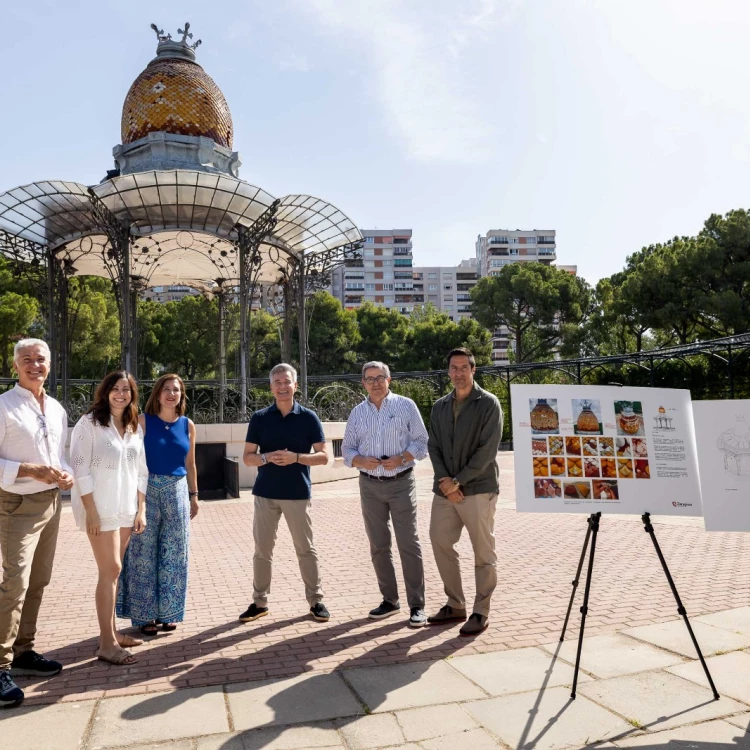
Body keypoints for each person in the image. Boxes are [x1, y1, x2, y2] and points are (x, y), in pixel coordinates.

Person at [0, 339, 74, 708]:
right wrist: (30, 470)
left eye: (40, 359)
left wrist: (66, 475)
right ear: (15, 366)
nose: (34, 365)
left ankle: (24, 651)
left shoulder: (57, 408)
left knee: (39, 581)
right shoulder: (3, 406)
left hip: (51, 502)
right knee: (15, 582)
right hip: (16, 503)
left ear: (50, 363)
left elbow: (61, 456)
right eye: (26, 360)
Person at [240, 363, 330, 623]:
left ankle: (316, 601)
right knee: (262, 551)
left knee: (305, 549)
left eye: (286, 381)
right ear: (271, 387)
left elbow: (324, 456)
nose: (282, 386)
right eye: (277, 382)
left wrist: (296, 458)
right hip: (265, 494)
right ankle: (259, 603)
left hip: (297, 494)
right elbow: (247, 458)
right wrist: (266, 457)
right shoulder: (259, 418)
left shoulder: (308, 417)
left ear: (295, 385)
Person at [342, 361, 429, 627]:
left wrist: (403, 457)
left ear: (389, 380)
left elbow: (422, 441)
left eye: (380, 377)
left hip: (401, 482)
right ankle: (390, 601)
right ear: (363, 383)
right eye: (370, 379)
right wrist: (360, 461)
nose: (375, 383)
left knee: (408, 544)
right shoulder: (357, 413)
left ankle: (417, 606)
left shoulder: (406, 405)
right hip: (369, 485)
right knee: (379, 545)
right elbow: (346, 449)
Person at [70, 371, 148, 665]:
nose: (120, 394)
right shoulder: (88, 424)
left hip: (127, 509)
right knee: (111, 569)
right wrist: (90, 509)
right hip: (100, 509)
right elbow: (79, 469)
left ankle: (113, 633)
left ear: (132, 394)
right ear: (105, 392)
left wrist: (141, 509)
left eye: (126, 389)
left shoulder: (132, 426)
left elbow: (142, 470)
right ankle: (105, 643)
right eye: (114, 389)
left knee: (113, 573)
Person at [427, 347, 503, 637]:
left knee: (483, 552)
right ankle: (455, 603)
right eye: (453, 368)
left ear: (473, 370)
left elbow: (487, 450)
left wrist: (458, 481)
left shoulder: (489, 403)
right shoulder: (439, 406)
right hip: (446, 489)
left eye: (463, 367)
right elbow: (433, 446)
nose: (458, 373)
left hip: (479, 489)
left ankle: (481, 610)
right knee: (439, 540)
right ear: (448, 372)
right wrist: (446, 482)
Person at [117, 373, 199, 635]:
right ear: (157, 393)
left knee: (175, 555)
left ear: (181, 395)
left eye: (176, 390)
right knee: (142, 554)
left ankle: (169, 613)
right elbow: (129, 460)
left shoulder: (188, 425)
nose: (171, 394)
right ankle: (144, 617)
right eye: (166, 389)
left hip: (177, 492)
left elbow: (190, 463)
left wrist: (194, 495)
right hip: (146, 491)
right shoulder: (142, 421)